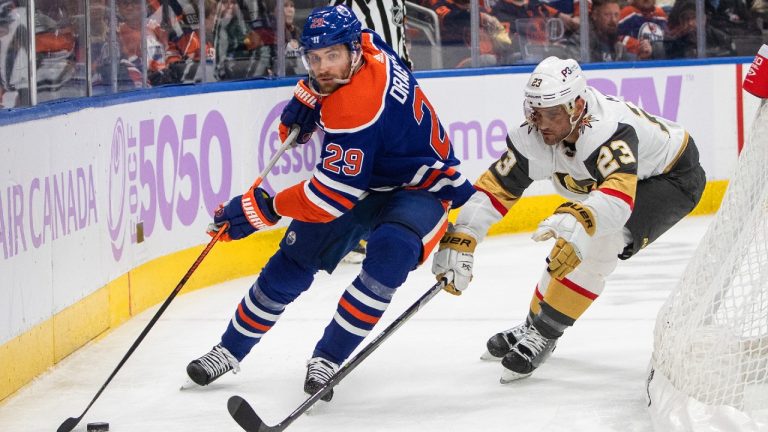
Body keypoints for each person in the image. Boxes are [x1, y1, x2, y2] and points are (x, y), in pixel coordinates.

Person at [186, 4, 474, 401]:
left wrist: (263, 209)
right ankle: (229, 349)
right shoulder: (371, 45)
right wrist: (308, 95)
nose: (322, 67)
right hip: (367, 179)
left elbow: (330, 198)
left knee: (389, 255)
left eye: (332, 57)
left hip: (420, 187)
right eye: (314, 58)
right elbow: (335, 174)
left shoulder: (355, 105)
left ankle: (328, 357)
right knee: (293, 259)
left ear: (353, 52)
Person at [432, 56, 705, 383]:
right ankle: (534, 323)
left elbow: (618, 199)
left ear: (577, 106)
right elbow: (496, 189)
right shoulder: (535, 135)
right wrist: (464, 235)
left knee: (598, 241)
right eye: (535, 112)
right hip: (622, 183)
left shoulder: (607, 131)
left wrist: (584, 219)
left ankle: (546, 332)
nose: (542, 123)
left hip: (670, 177)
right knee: (572, 242)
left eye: (552, 113)